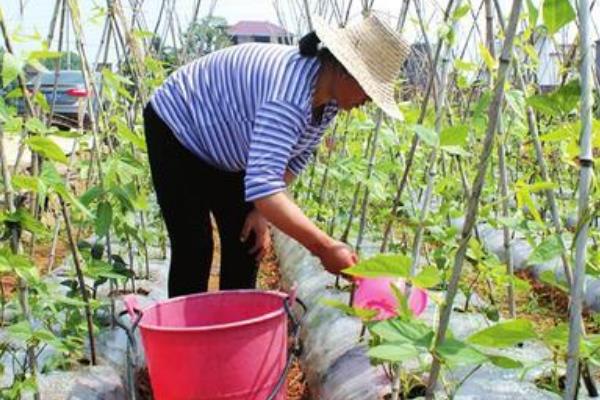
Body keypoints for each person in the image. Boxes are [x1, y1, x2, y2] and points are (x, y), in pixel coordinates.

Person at [143, 15, 409, 298]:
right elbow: (265, 187)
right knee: (194, 245)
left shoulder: (328, 101)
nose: (368, 100)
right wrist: (324, 247)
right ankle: (185, 338)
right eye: (369, 89)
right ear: (347, 71)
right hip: (178, 128)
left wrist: (259, 211)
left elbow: (295, 158)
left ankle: (233, 331)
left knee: (247, 242)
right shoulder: (289, 96)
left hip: (229, 142)